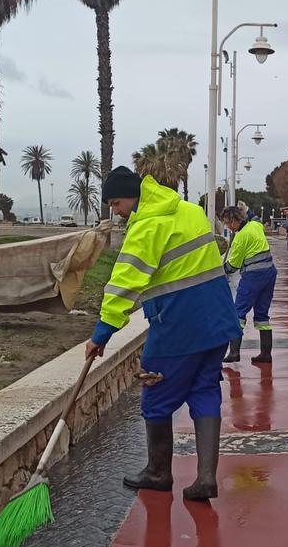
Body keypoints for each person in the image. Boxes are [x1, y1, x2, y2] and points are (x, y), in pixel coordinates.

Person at [87, 167, 240, 501]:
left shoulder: (146, 227)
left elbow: (124, 285)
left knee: (155, 393)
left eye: (116, 202)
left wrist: (101, 334)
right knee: (204, 390)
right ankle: (205, 479)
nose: (115, 210)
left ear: (133, 195)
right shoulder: (189, 210)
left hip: (178, 328)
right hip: (217, 322)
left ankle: (158, 472)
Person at [218, 206, 277, 364]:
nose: (227, 227)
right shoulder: (255, 225)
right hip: (270, 273)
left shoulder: (240, 237)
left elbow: (233, 266)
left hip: (253, 277)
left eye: (229, 223)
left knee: (238, 313)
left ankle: (234, 352)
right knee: (262, 315)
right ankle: (266, 354)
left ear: (236, 220)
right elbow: (255, 217)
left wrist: (218, 271)